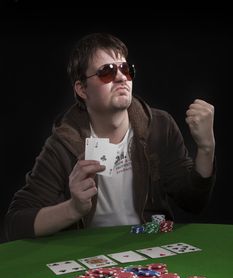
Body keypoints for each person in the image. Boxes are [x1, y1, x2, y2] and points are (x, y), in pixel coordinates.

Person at [4, 32, 216, 241]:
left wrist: (206, 148)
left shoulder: (160, 126)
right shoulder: (63, 144)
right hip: (90, 258)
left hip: (148, 249)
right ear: (82, 90)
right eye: (107, 71)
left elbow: (193, 202)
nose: (121, 77)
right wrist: (73, 208)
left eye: (126, 69)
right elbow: (16, 224)